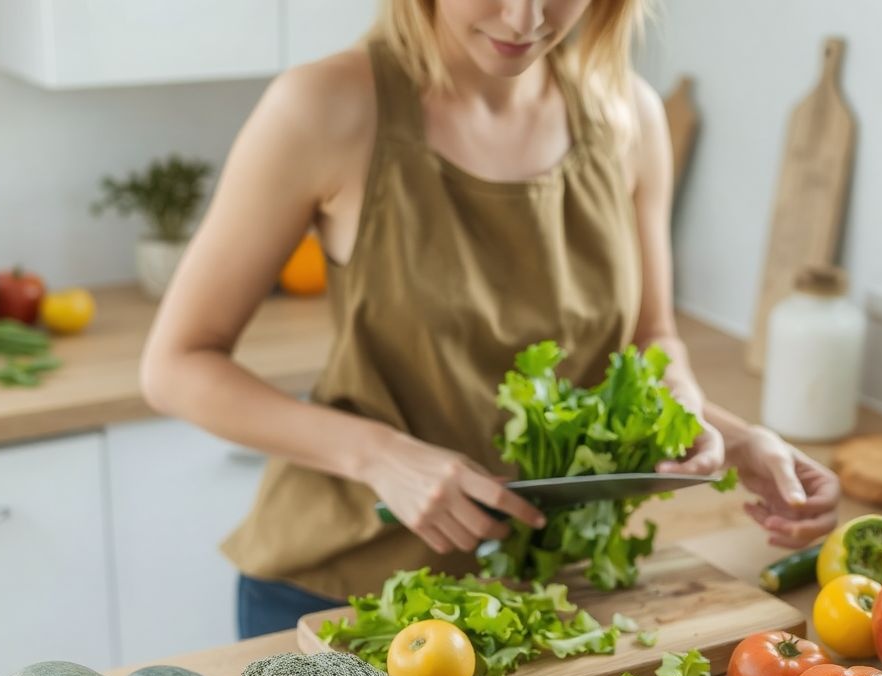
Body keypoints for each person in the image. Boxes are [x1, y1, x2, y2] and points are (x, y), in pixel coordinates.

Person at [141, 0, 841, 639]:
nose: (523, 18)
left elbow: (648, 342)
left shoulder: (630, 116)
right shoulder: (326, 107)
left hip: (546, 595)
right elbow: (175, 366)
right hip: (337, 595)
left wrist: (731, 435)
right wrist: (381, 456)